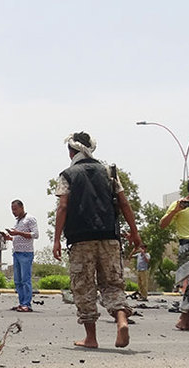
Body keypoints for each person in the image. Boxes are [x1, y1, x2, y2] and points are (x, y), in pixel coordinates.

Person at [53, 131, 141, 348]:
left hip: (80, 239)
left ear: (71, 152)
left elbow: (63, 206)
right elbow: (124, 203)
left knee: (83, 286)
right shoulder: (109, 172)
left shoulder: (67, 175)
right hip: (109, 237)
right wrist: (135, 232)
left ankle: (91, 338)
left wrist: (56, 240)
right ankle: (121, 320)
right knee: (112, 283)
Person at [159, 172, 189, 331]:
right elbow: (162, 225)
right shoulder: (179, 204)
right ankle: (183, 317)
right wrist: (175, 210)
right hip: (188, 246)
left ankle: (186, 320)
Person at [1, 199, 39, 312]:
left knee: (25, 280)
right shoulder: (18, 221)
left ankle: (27, 304)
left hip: (26, 253)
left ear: (22, 207)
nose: (13, 212)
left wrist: (17, 233)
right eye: (12, 210)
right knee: (17, 281)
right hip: (16, 253)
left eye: (15, 209)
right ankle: (22, 303)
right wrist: (9, 237)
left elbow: (35, 234)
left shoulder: (30, 219)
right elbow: (18, 238)